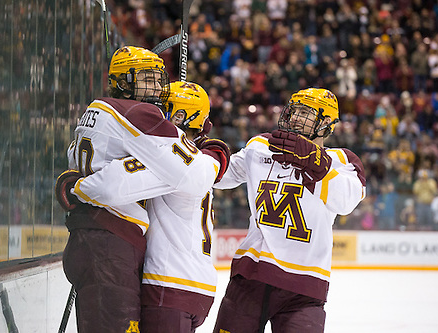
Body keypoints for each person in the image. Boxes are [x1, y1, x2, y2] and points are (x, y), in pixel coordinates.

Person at [54, 47, 226, 332]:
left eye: (159, 79)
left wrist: (78, 187)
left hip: (91, 240)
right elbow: (191, 176)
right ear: (123, 81)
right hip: (110, 246)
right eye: (149, 78)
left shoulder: (95, 111)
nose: (158, 87)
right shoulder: (137, 112)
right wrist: (213, 155)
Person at [212, 88, 366, 332]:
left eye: (304, 113)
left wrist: (316, 163)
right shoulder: (262, 146)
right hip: (250, 275)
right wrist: (190, 145)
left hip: (303, 288)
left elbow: (346, 201)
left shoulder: (341, 160)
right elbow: (218, 176)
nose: (294, 117)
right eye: (293, 111)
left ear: (326, 123)